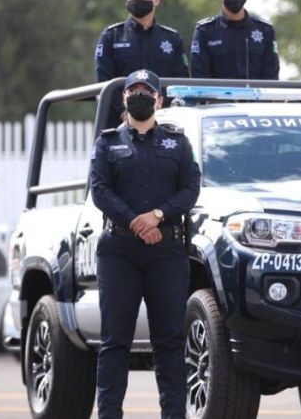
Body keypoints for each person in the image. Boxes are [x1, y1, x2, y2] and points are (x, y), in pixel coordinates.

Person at [89, 69, 200, 419]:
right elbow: (100, 191)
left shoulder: (177, 143)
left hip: (166, 252)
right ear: (123, 99)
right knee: (114, 343)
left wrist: (158, 216)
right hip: (119, 251)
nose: (140, 94)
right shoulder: (107, 143)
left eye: (146, 90)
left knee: (169, 343)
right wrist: (137, 223)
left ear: (159, 100)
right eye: (132, 90)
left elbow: (190, 189)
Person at [95, 0, 190, 127]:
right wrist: (126, 112)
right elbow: (105, 83)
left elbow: (181, 82)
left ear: (156, 0)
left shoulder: (172, 39)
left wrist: (164, 113)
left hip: (164, 123)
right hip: (120, 123)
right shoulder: (111, 36)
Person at [191, 0, 280, 79]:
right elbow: (200, 76)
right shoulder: (205, 30)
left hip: (256, 96)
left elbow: (271, 74)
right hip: (216, 96)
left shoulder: (265, 30)